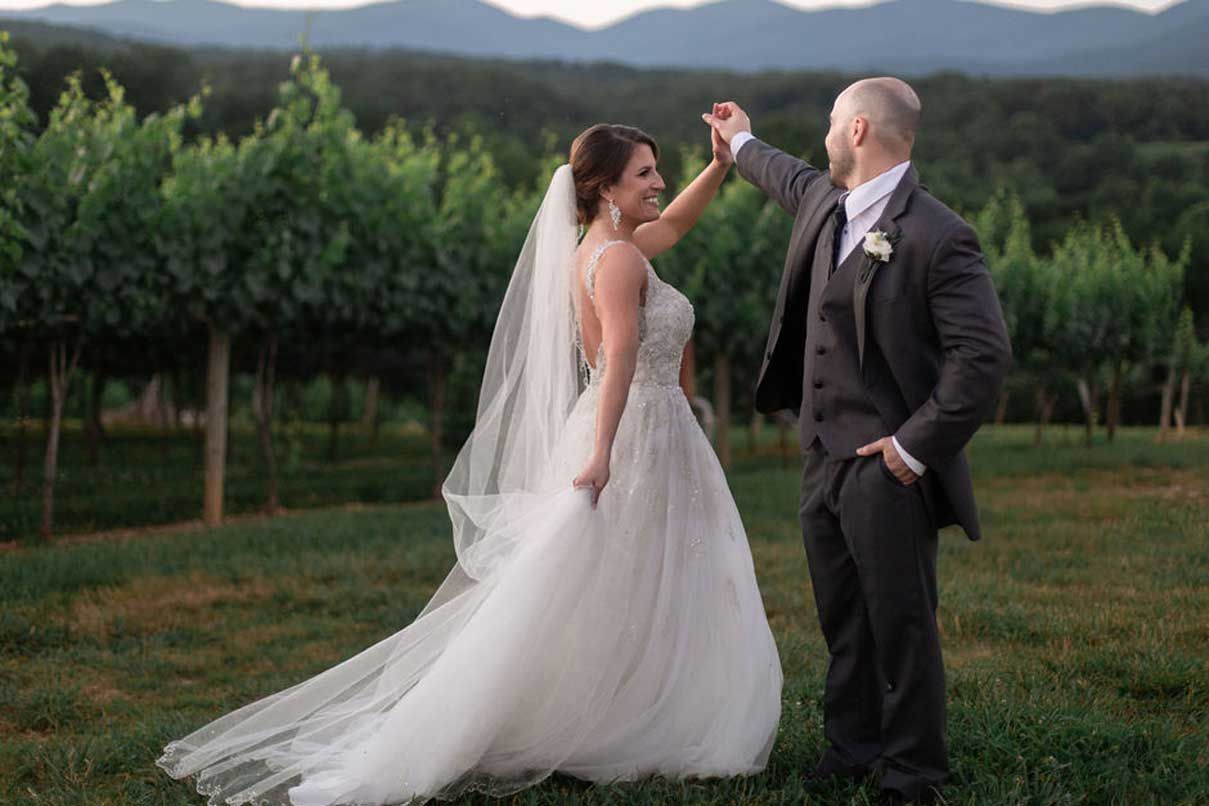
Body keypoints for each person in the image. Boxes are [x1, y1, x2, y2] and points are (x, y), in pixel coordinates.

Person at [154, 122, 783, 806]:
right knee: (644, 571)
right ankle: (631, 716)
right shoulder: (621, 262)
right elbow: (620, 359)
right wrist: (603, 452)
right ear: (606, 187)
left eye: (657, 170)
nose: (658, 183)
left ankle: (627, 706)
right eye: (644, 173)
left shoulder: (603, 250)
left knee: (625, 576)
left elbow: (676, 224)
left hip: (638, 426)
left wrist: (721, 162)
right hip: (638, 430)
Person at [704, 79, 1012, 805]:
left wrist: (911, 448)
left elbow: (983, 357)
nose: (824, 136)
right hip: (820, 453)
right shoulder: (825, 201)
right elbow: (785, 174)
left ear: (859, 130)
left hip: (887, 465)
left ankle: (913, 772)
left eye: (831, 123)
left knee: (900, 622)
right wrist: (739, 139)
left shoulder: (938, 234)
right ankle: (851, 749)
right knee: (842, 617)